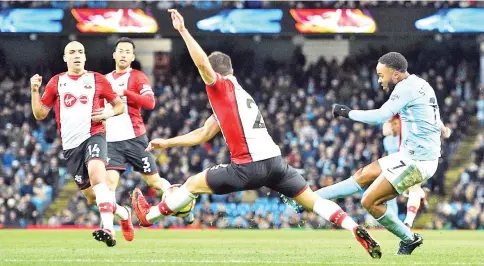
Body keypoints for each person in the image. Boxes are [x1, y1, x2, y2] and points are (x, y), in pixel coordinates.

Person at [131, 9, 381, 259]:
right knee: (313, 201)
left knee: (191, 185)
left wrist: (183, 31)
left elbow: (202, 64)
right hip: (276, 164)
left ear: (217, 74)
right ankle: (353, 226)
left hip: (247, 166)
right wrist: (168, 142)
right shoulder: (240, 95)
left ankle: (149, 216)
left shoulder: (222, 87)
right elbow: (203, 133)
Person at [316, 52, 443, 255]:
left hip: (418, 161)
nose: (379, 79)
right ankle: (310, 199)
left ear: (395, 74)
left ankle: (409, 239)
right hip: (410, 155)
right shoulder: (420, 84)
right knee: (362, 175)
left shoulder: (405, 88)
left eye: (381, 75)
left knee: (369, 202)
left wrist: (347, 112)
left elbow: (380, 116)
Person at [30, 41, 124, 247]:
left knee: (97, 176)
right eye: (72, 52)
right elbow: (40, 113)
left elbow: (119, 106)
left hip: (94, 135)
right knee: (91, 197)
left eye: (80, 52)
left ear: (85, 56)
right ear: (65, 58)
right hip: (71, 146)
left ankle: (109, 228)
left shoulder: (97, 79)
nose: (77, 55)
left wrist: (108, 112)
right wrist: (34, 91)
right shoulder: (56, 82)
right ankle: (124, 214)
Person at [104, 37, 173, 241]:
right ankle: (115, 224)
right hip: (111, 142)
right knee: (109, 187)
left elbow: (150, 102)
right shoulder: (104, 79)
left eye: (127, 51)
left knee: (155, 182)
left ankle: (182, 207)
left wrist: (125, 92)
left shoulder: (138, 77)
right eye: (120, 51)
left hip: (135, 139)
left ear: (132, 57)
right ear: (114, 55)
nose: (124, 54)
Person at [382, 114, 451, 228]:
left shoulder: (415, 111)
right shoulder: (398, 111)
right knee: (403, 191)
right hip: (399, 161)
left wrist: (443, 129)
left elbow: (432, 116)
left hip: (417, 155)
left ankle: (407, 222)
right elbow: (386, 130)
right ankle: (421, 195)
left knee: (412, 187)